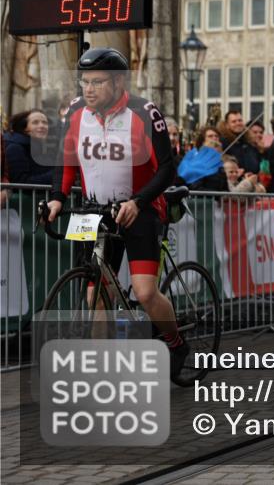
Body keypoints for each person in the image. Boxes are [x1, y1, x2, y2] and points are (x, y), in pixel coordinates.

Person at [45, 48, 188, 380]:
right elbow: (66, 162)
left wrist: (138, 201)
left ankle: (176, 342)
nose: (89, 89)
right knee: (96, 290)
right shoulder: (77, 113)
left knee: (145, 292)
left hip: (139, 209)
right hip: (95, 210)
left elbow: (166, 170)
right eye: (84, 82)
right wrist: (56, 198)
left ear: (119, 81)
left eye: (97, 82)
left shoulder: (144, 112)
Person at [3, 109, 52, 184]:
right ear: (24, 128)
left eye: (45, 123)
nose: (42, 126)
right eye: (35, 122)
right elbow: (20, 181)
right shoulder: (15, 148)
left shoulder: (46, 148)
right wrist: (56, 176)